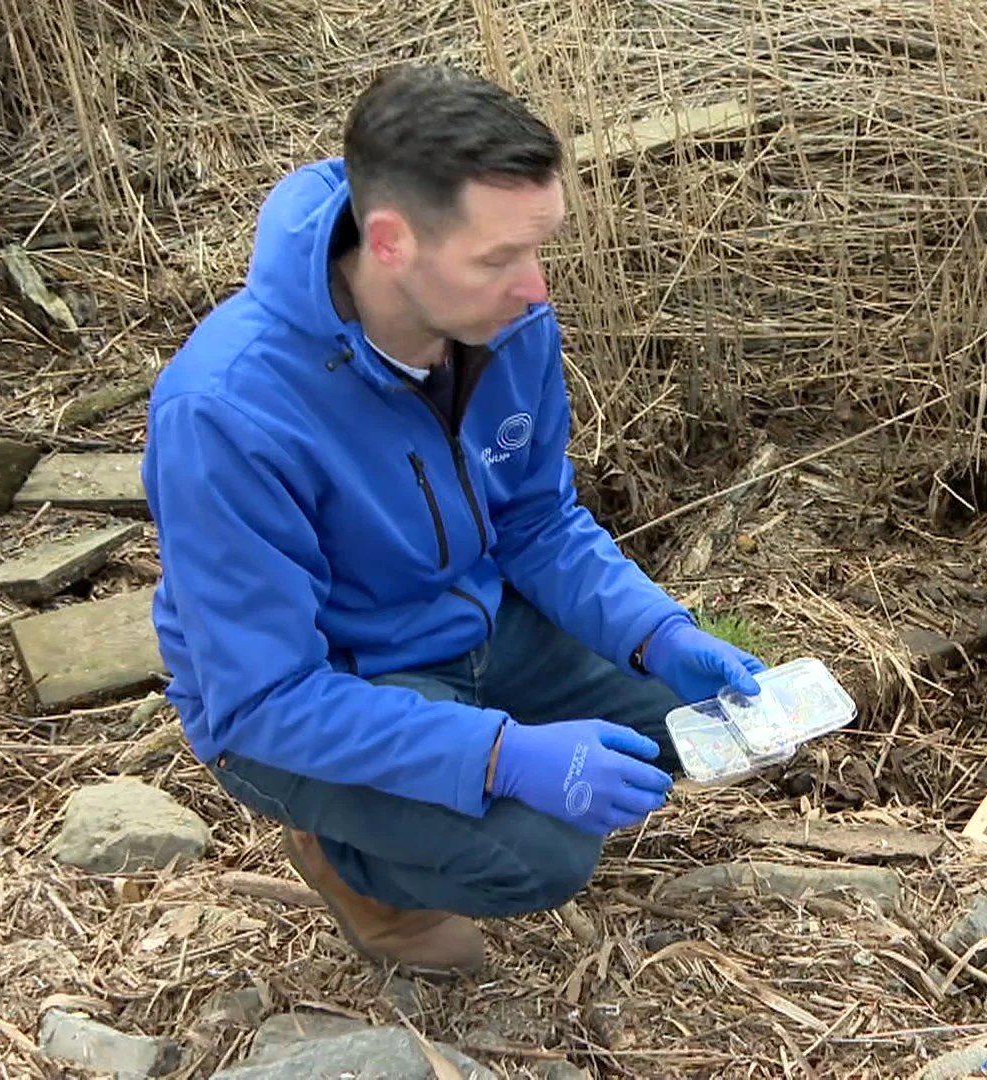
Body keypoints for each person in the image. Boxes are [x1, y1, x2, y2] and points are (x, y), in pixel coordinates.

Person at [139, 64, 768, 976]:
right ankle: (353, 868)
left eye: (538, 249)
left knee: (693, 717)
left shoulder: (502, 324)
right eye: (499, 259)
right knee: (541, 855)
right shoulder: (226, 411)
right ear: (391, 243)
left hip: (475, 622)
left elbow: (538, 522)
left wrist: (658, 634)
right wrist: (503, 756)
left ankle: (475, 750)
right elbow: (264, 697)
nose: (537, 289)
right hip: (325, 688)